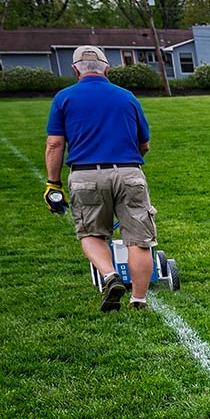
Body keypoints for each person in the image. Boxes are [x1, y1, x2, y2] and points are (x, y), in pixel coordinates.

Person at [43, 45, 157, 312]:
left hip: (85, 174)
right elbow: (145, 144)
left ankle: (109, 276)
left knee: (91, 233)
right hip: (129, 171)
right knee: (139, 239)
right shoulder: (127, 97)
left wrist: (53, 184)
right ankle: (139, 300)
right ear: (107, 68)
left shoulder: (64, 98)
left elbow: (55, 144)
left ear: (74, 70)